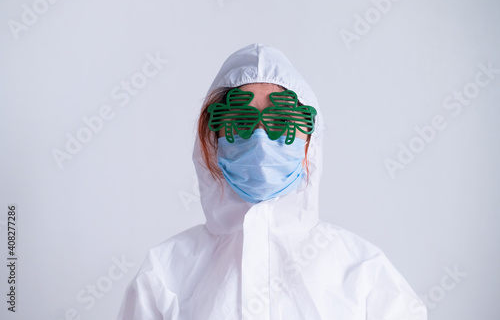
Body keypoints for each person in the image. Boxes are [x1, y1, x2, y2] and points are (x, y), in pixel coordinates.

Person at [117, 43, 427, 320]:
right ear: (212, 143)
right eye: (241, 120)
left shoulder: (364, 272)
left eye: (282, 122)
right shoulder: (164, 274)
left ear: (310, 143)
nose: (261, 138)